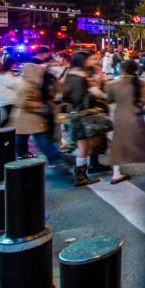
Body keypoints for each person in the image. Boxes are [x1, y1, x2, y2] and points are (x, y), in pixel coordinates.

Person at [13, 46, 70, 167]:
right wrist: (40, 107)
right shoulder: (30, 81)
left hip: (41, 112)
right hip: (33, 114)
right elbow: (24, 100)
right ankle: (55, 157)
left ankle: (53, 156)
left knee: (41, 135)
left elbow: (56, 88)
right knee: (40, 136)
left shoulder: (37, 76)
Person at [61, 50, 110, 186]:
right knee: (84, 146)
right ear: (83, 60)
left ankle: (82, 170)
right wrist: (94, 91)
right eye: (90, 59)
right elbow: (79, 98)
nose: (93, 61)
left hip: (78, 114)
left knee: (86, 144)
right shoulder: (79, 77)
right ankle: (79, 173)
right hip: (83, 115)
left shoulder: (74, 74)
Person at [104, 59, 145, 184]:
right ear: (136, 69)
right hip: (136, 116)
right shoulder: (141, 83)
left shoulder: (112, 84)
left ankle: (116, 173)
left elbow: (109, 100)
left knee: (118, 145)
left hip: (120, 116)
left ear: (122, 70)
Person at [0, 57, 21, 124]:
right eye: (15, 64)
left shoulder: (2, 72)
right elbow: (13, 84)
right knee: (7, 119)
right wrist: (19, 78)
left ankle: (1, 131)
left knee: (7, 118)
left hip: (4, 99)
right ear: (11, 64)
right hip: (7, 100)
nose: (16, 65)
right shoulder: (6, 74)